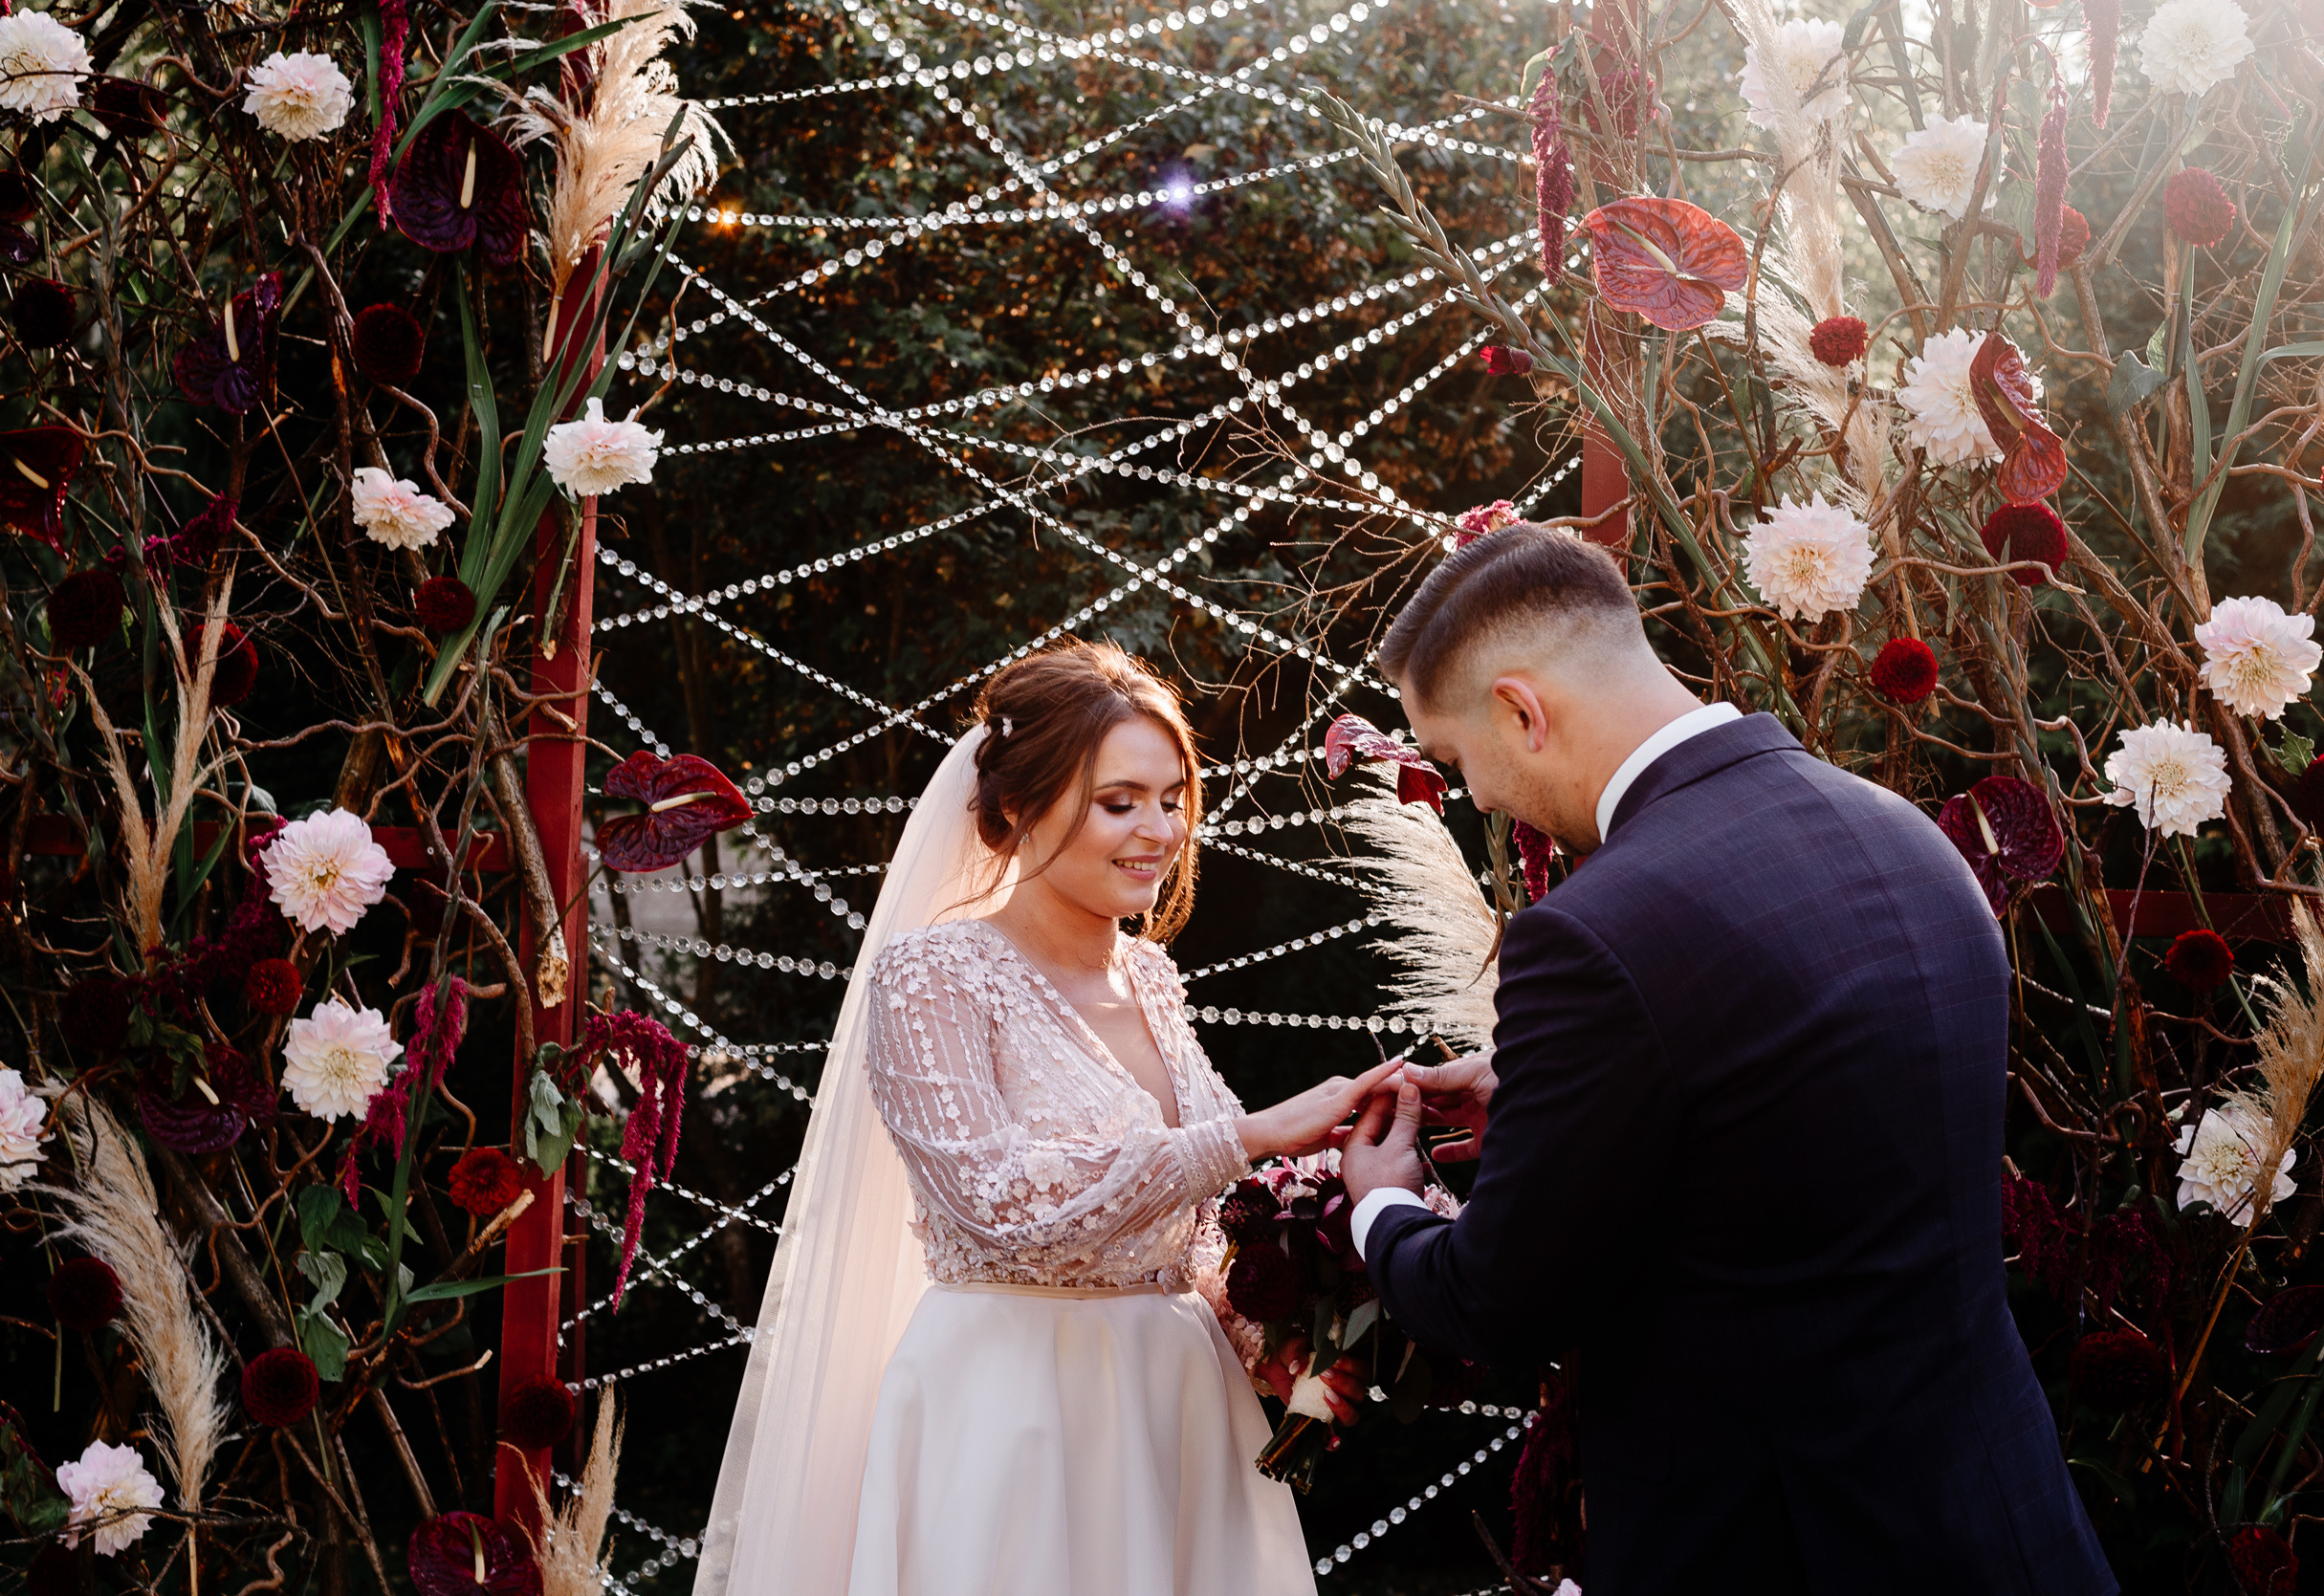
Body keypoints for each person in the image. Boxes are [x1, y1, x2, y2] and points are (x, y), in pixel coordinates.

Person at [1336, 523, 2116, 1593]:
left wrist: (1382, 1202)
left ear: (1521, 711)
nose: (1473, 796)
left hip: (1784, 1545)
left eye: (1457, 759)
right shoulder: (1901, 833)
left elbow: (1499, 1301)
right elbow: (1799, 1124)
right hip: (2000, 1518)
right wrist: (1543, 1101)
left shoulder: (1595, 931)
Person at [693, 639, 1395, 1596]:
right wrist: (1250, 1135)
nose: (1159, 830)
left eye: (1172, 799)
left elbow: (1180, 1236)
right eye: (1119, 802)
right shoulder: (932, 977)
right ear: (1018, 809)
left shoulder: (1152, 979)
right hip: (1014, 1410)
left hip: (1180, 1411)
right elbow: (1003, 1206)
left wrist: (1264, 1343)